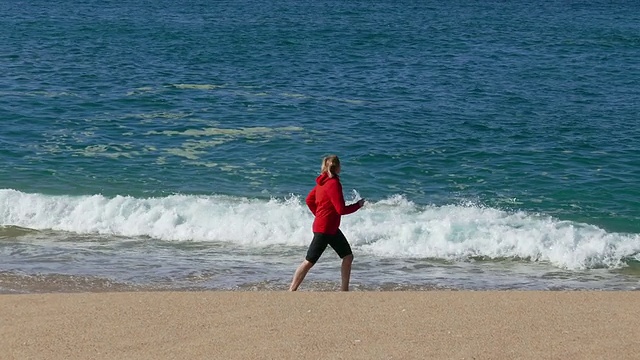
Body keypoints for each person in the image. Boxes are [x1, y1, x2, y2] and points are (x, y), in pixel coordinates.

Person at [289, 155, 365, 291]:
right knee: (309, 261)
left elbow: (309, 200)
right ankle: (291, 290)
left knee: (348, 256)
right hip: (325, 229)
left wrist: (319, 215)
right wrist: (357, 205)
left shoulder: (321, 182)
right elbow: (341, 209)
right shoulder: (333, 183)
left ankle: (344, 290)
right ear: (337, 167)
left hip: (330, 228)